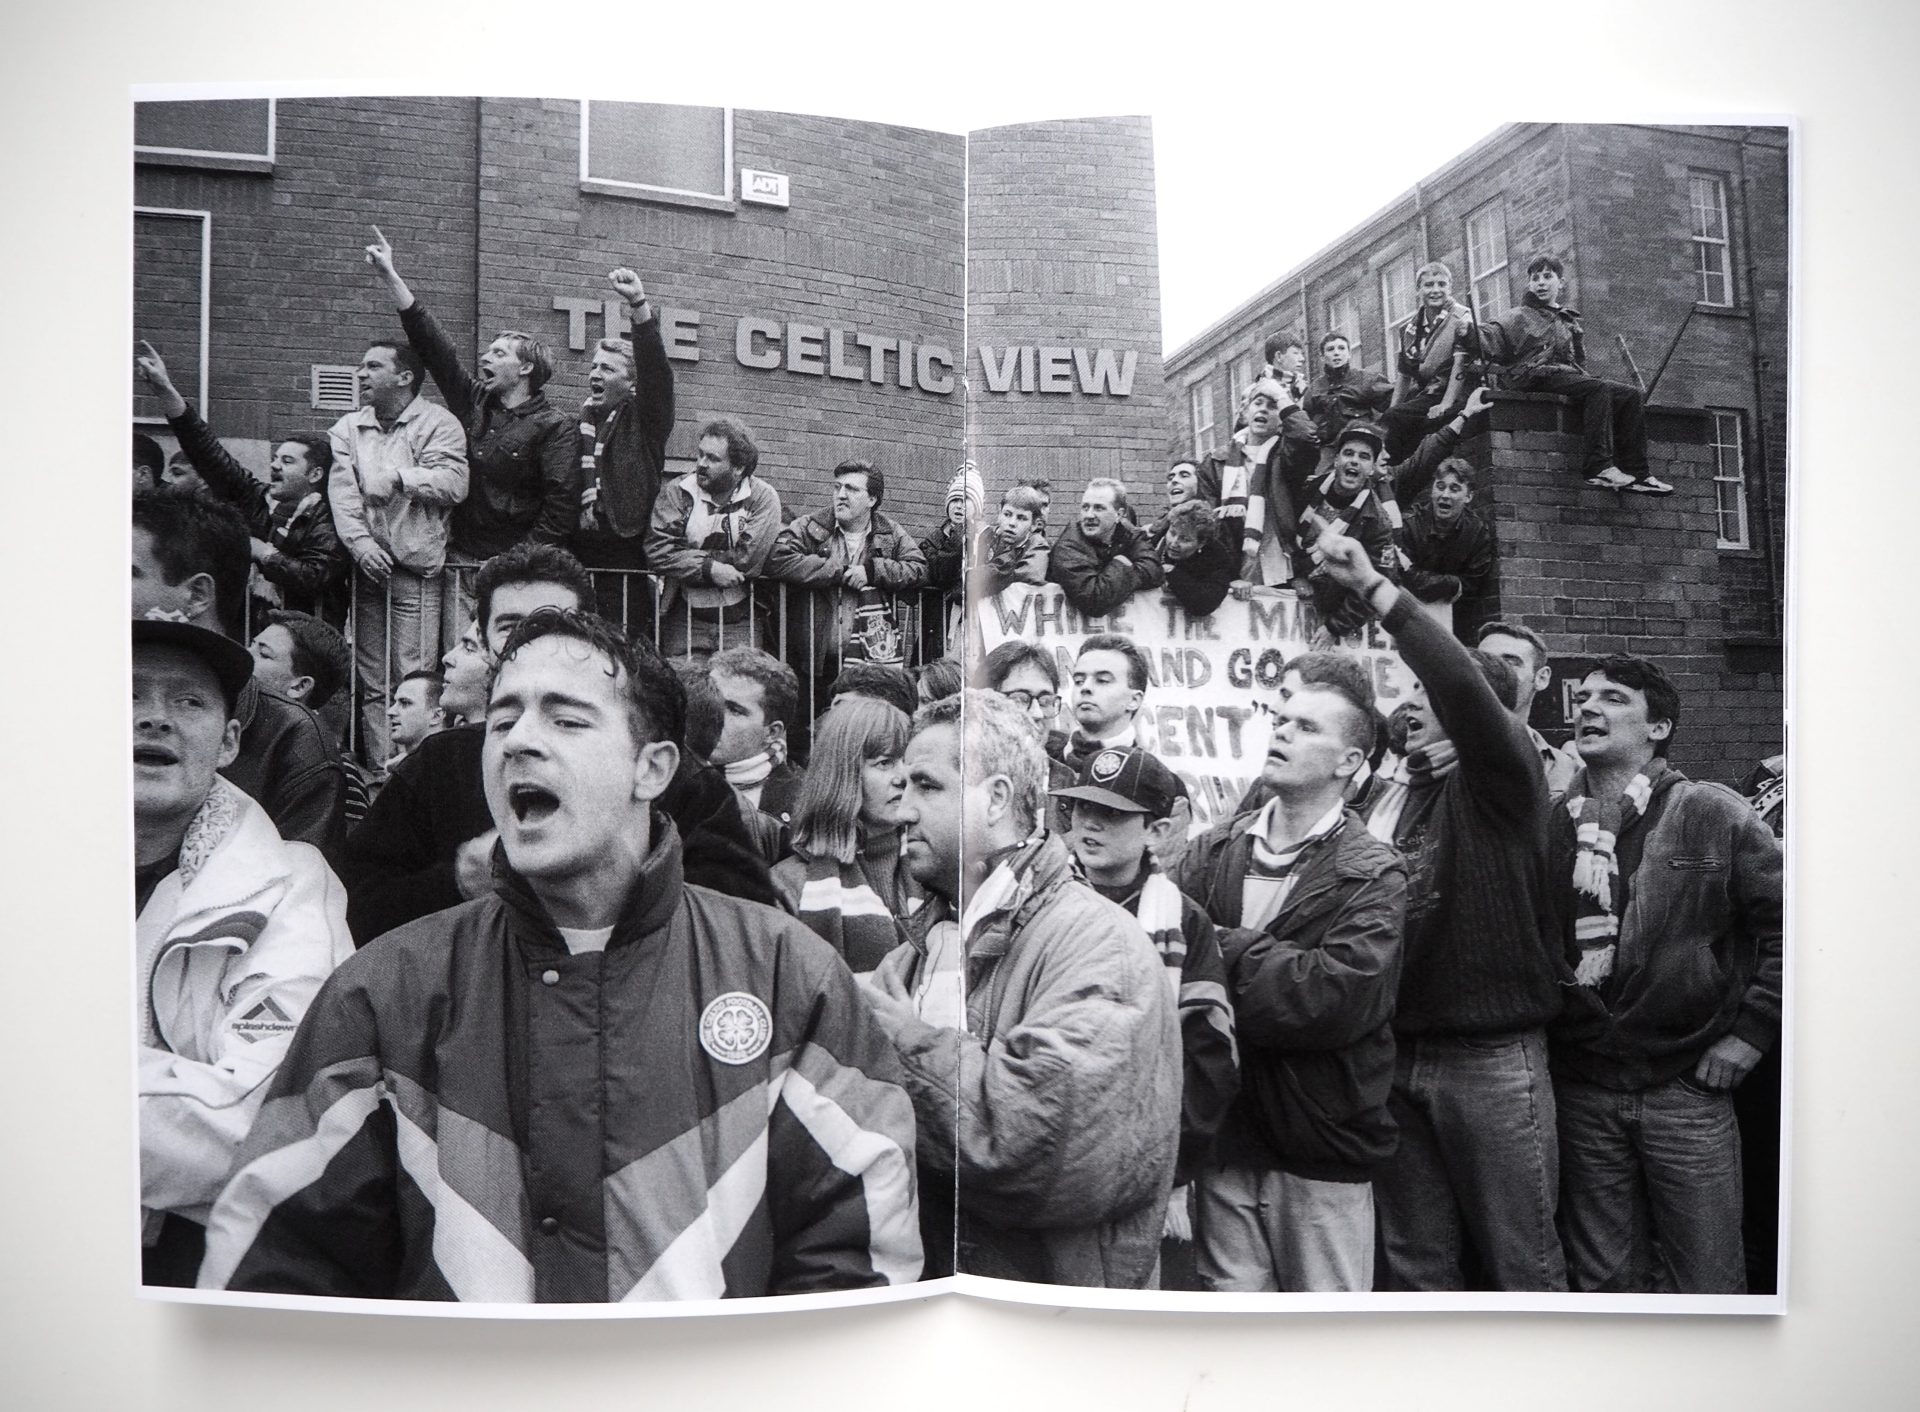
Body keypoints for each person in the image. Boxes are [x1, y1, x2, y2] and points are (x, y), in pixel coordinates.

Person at [201, 609, 922, 1301]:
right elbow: (273, 1274)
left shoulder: (790, 975)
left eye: (566, 720)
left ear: (653, 769)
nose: (518, 741)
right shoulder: (381, 993)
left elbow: (858, 1264)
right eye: (502, 720)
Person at [1313, 526, 1570, 1292]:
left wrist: (1377, 590)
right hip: (1397, 1055)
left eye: (1428, 692)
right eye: (1412, 692)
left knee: (1523, 1267)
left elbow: (1460, 682)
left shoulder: (1503, 782)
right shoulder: (1389, 796)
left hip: (1491, 1061)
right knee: (1418, 1268)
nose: (1414, 703)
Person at [863, 691, 1181, 1285]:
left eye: (927, 786)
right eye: (903, 787)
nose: (902, 811)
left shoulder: (1097, 944)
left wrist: (904, 1044)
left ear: (997, 798)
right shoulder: (914, 953)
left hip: (1054, 1323)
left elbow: (1040, 1151)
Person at [341, 544, 777, 944]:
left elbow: (742, 922)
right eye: (511, 626)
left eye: (555, 622)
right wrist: (459, 881)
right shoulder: (439, 765)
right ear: (485, 642)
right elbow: (359, 910)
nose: (538, 641)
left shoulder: (662, 769)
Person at [1550, 657, 1782, 1292]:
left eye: (1613, 698)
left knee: (1707, 1280)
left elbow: (1792, 925)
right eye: (1584, 696)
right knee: (1603, 1281)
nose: (1588, 706)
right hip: (1584, 1086)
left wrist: (1751, 1034)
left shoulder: (1711, 812)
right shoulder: (1554, 821)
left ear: (1658, 728)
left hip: (1687, 1088)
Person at [133, 617, 352, 1287]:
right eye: (127, 694)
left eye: (188, 701)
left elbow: (266, 1119)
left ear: (229, 742)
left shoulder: (289, 887)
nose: (155, 719)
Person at [1174, 664, 1406, 1292]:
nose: (1281, 732)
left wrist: (1221, 947)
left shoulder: (1374, 871)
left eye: (1306, 727)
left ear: (1349, 761)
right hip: (1226, 1141)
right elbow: (1171, 965)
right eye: (1281, 721)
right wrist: (1266, 967)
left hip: (1320, 1148)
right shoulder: (1214, 849)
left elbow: (1332, 999)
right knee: (1233, 1337)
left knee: (1324, 1340)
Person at [1055, 747, 1239, 1287]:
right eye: (1082, 807)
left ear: (1155, 831)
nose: (1090, 823)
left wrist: (1167, 1166)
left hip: (1142, 1165)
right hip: (1055, 1153)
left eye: (1112, 813)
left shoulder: (1182, 919)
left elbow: (1211, 1056)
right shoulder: (1039, 897)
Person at [132, 490, 349, 857]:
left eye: (128, 573)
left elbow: (301, 882)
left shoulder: (292, 740)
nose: (155, 719)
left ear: (197, 594)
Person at [362, 225, 578, 592]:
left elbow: (559, 510)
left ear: (526, 368)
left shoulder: (555, 426)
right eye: (487, 351)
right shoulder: (474, 401)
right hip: (459, 560)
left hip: (513, 572)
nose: (485, 357)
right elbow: (435, 348)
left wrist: (514, 563)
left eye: (499, 353)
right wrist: (390, 276)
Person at [326, 337, 472, 763]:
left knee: (413, 678)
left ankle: (412, 771)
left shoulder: (438, 423)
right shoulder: (348, 428)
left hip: (416, 572)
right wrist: (360, 544)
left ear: (405, 377)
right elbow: (343, 495)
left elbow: (455, 483)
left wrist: (399, 478)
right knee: (373, 681)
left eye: (373, 366)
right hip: (368, 569)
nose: (361, 374)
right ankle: (378, 775)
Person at [135, 343, 351, 627]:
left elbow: (314, 575)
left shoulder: (329, 516)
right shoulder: (257, 499)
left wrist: (263, 552)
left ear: (314, 475)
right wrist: (166, 390)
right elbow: (208, 453)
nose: (275, 465)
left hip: (307, 636)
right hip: (257, 628)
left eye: (287, 461)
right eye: (275, 458)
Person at [1478, 255, 1672, 494]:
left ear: (1560, 283)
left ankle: (1639, 473)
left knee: (1630, 395)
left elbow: (1578, 363)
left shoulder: (1566, 318)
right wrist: (1469, 332)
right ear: (1529, 284)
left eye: (1547, 277)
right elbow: (1491, 334)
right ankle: (1599, 467)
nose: (1541, 283)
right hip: (1534, 376)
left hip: (1562, 375)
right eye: (1535, 278)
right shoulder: (1518, 316)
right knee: (1597, 388)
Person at [770, 697, 917, 976]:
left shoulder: (939, 872)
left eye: (908, 762)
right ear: (843, 774)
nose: (903, 777)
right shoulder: (788, 886)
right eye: (884, 762)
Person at [768, 458, 928, 697]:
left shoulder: (890, 533)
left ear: (872, 499)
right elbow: (777, 558)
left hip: (867, 661)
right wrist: (835, 571)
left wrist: (872, 572)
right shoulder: (811, 526)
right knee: (810, 719)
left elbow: (919, 568)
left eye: (851, 489)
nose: (841, 495)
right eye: (837, 487)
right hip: (812, 661)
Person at [573, 267, 675, 624]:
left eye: (608, 369)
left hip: (625, 554)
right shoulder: (577, 425)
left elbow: (656, 372)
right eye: (594, 367)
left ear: (632, 384)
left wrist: (638, 305)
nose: (595, 374)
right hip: (577, 551)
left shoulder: (645, 422)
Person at [646, 416, 783, 658]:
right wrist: (709, 569)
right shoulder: (679, 491)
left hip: (741, 621)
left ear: (738, 468)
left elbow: (748, 560)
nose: (701, 463)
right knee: (682, 679)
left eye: (713, 458)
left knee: (740, 680)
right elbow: (658, 551)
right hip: (685, 618)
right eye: (700, 454)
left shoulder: (763, 498)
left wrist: (686, 557)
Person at [1201, 377, 1318, 587]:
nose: (1263, 409)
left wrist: (1280, 395)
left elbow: (1306, 437)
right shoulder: (1216, 462)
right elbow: (1207, 522)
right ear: (1245, 413)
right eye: (1258, 403)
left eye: (1272, 405)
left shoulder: (1288, 457)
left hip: (1282, 569)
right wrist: (1225, 575)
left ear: (1282, 419)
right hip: (1235, 570)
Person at [1297, 423, 1399, 639]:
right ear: (1336, 460)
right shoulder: (1307, 490)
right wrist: (1295, 576)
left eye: (1364, 456)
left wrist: (1335, 626)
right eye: (1348, 453)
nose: (1354, 460)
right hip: (1292, 598)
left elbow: (1376, 582)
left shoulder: (1378, 522)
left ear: (1371, 469)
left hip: (1334, 612)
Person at [1383, 262, 1479, 464]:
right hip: (1426, 393)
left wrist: (1446, 403)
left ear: (1450, 288)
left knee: (1402, 419)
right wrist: (1389, 416)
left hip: (1453, 390)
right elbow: (1404, 375)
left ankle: (1394, 471)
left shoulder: (1460, 316)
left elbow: (1460, 363)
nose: (1435, 290)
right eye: (1429, 285)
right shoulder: (1410, 329)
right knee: (1394, 419)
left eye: (1441, 284)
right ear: (1418, 290)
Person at [1475, 620, 1583, 797]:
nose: (1493, 670)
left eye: (1510, 662)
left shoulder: (1564, 768)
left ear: (1541, 678)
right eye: (1484, 660)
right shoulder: (1437, 752)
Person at [708, 645, 806, 828]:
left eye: (735, 710)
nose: (713, 715)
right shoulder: (669, 779)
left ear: (772, 732)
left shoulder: (802, 804)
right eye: (710, 701)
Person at [1047, 478, 1163, 618]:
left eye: (1099, 508)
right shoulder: (1068, 546)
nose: (1089, 515)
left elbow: (1155, 571)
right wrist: (1122, 564)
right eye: (1085, 507)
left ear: (1119, 514)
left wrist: (1124, 573)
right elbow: (1094, 600)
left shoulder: (1130, 535)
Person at [1395, 457, 1496, 611]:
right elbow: (1402, 576)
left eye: (1454, 489)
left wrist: (1424, 580)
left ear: (1468, 496)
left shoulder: (1477, 533)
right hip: (1407, 608)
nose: (1445, 495)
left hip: (1455, 614)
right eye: (1440, 487)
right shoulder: (1410, 525)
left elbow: (1472, 585)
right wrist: (1452, 583)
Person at [978, 640, 1073, 794]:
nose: (1037, 713)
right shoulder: (960, 781)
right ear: (985, 703)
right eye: (1020, 699)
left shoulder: (1070, 786)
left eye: (1046, 701)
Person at [1056, 633, 1151, 774]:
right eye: (1079, 681)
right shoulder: (1043, 763)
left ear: (1134, 700)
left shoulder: (1151, 776)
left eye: (1102, 680)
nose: (1085, 688)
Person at [1301, 333, 1394, 462]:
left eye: (1341, 348)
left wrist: (1377, 432)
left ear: (1349, 353)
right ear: (1322, 357)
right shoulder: (1315, 388)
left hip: (1361, 442)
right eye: (1330, 349)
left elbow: (1393, 406)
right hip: (1330, 448)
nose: (1336, 353)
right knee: (1322, 474)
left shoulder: (1367, 379)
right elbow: (1306, 420)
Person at [970, 481, 1052, 600]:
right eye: (1007, 514)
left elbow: (1023, 584)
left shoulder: (1036, 547)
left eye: (1021, 518)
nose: (1012, 523)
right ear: (999, 514)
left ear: (1033, 525)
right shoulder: (987, 539)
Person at [384, 669, 445, 769]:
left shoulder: (449, 768)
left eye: (405, 703)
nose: (390, 711)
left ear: (436, 716)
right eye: (394, 703)